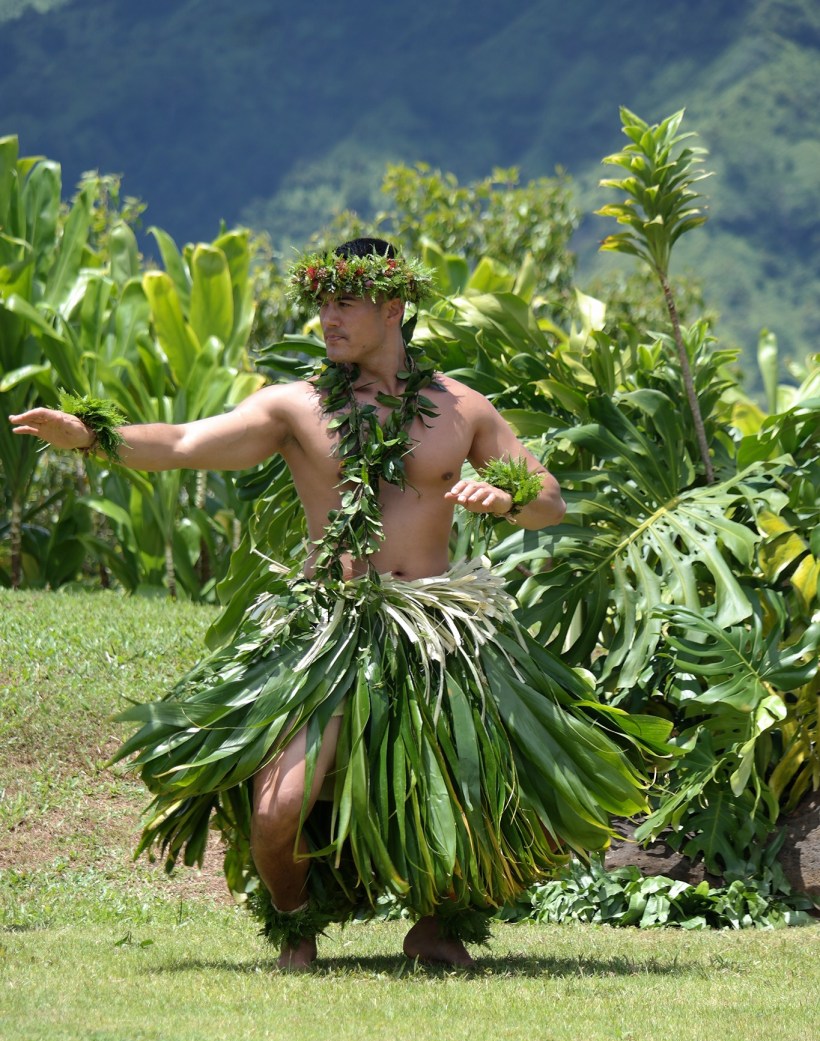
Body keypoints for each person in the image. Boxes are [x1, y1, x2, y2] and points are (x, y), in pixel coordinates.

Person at [10, 237, 662, 969]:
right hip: (330, 625)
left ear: (392, 306)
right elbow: (188, 440)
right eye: (322, 301)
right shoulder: (297, 407)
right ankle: (295, 920)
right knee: (278, 810)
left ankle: (439, 927)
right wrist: (95, 437)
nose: (328, 317)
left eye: (344, 301)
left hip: (439, 632)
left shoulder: (461, 410)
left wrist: (507, 494)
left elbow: (548, 499)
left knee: (496, 797)